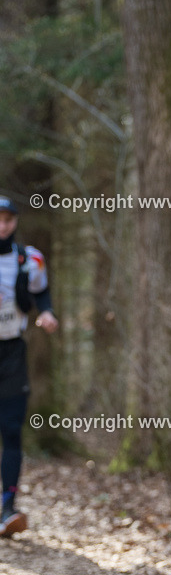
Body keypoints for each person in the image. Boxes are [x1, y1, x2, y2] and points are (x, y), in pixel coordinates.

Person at [0, 196, 58, 538]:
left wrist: (46, 313)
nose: (2, 226)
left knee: (10, 429)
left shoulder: (29, 259)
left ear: (15, 222)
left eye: (7, 219)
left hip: (12, 353)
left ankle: (8, 507)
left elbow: (43, 293)